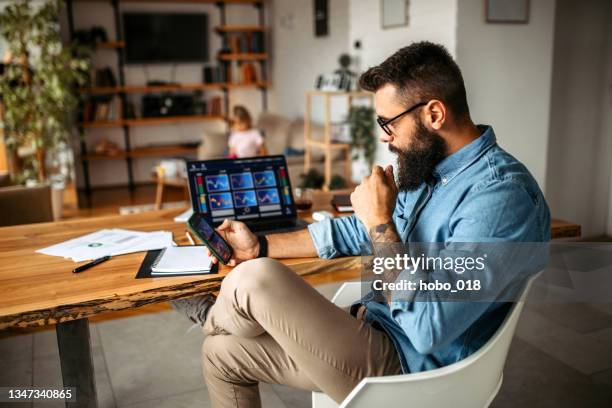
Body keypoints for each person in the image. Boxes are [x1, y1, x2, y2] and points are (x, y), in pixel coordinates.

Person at [173, 41, 550, 408]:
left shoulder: (501, 199)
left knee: (253, 279)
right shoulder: (431, 171)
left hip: (412, 369)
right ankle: (222, 322)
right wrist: (261, 246)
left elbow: (426, 329)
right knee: (220, 354)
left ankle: (214, 317)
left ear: (434, 114)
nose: (384, 137)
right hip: (371, 331)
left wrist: (380, 221)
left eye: (388, 123)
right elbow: (354, 231)